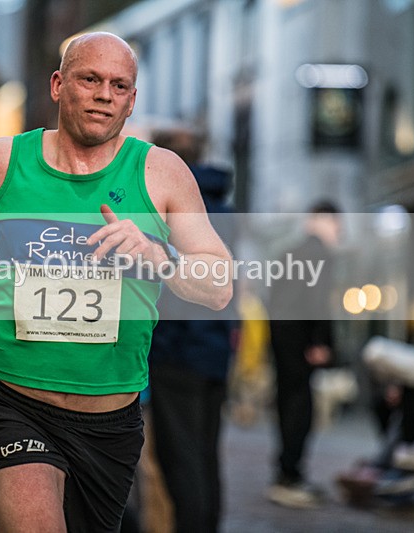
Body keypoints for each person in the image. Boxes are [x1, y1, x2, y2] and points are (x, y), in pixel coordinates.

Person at [0, 32, 232, 532]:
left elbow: (218, 285)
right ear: (59, 85)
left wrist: (159, 255)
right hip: (7, 397)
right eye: (90, 79)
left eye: (119, 85)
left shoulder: (163, 173)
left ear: (132, 100)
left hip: (109, 417)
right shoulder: (5, 159)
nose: (104, 94)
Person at [147, 129, 240, 533]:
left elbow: (169, 283)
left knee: (179, 455)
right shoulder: (225, 207)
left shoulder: (171, 205)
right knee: (205, 452)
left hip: (178, 347)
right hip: (215, 346)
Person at [266, 201, 341, 509]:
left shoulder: (288, 252)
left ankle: (287, 472)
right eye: (337, 224)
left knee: (287, 406)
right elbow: (319, 301)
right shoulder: (319, 254)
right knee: (301, 411)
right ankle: (290, 476)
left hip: (284, 342)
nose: (340, 231)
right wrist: (321, 342)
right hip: (301, 344)